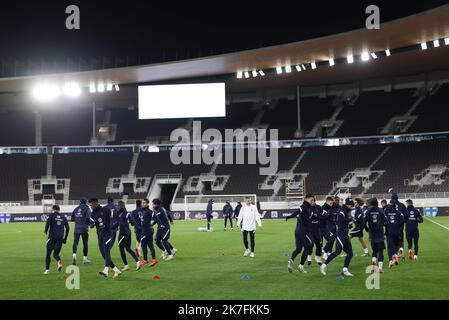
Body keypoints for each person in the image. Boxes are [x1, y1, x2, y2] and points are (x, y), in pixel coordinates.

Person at [320, 198, 356, 277]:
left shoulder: (344, 210)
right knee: (337, 251)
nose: (352, 207)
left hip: (344, 234)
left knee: (350, 253)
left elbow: (343, 222)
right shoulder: (342, 211)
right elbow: (339, 222)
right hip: (340, 234)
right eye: (351, 206)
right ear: (348, 205)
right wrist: (349, 220)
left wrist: (348, 225)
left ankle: (345, 270)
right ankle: (323, 266)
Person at [88, 198, 122, 279]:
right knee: (103, 254)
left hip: (108, 233)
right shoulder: (92, 214)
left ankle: (105, 270)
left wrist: (112, 226)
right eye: (90, 205)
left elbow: (113, 219)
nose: (91, 206)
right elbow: (93, 223)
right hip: (100, 235)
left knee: (107, 252)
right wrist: (92, 224)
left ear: (96, 203)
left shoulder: (105, 210)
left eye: (91, 205)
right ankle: (116, 270)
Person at [286, 194, 314, 273]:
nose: (312, 201)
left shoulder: (308, 208)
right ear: (306, 199)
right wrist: (290, 216)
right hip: (303, 232)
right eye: (311, 200)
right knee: (309, 246)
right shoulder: (304, 206)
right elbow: (298, 211)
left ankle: (290, 262)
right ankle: (300, 267)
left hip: (298, 231)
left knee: (298, 249)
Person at [44, 205, 69, 275]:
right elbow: (68, 228)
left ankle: (47, 270)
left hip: (52, 236)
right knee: (56, 254)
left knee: (48, 254)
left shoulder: (51, 215)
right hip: (60, 237)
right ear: (59, 209)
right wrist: (65, 238)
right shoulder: (63, 216)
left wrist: (46, 230)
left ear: (53, 209)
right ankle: (59, 261)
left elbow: (47, 223)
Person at [364, 198, 387, 273]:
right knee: (381, 251)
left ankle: (374, 265)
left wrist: (367, 229)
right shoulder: (381, 211)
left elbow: (364, 222)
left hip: (372, 234)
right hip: (380, 234)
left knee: (374, 251)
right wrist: (383, 227)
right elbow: (386, 222)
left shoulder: (368, 211)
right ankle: (380, 268)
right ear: (377, 203)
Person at [116, 201, 140, 271]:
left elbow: (132, 220)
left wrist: (137, 227)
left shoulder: (125, 214)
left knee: (121, 248)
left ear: (122, 206)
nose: (118, 207)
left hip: (124, 233)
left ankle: (126, 265)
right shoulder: (121, 214)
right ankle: (138, 262)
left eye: (118, 206)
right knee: (128, 248)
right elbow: (118, 223)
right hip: (128, 232)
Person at [137, 198, 158, 269]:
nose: (142, 204)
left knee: (143, 244)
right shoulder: (142, 211)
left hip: (147, 231)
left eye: (144, 203)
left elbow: (156, 218)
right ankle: (154, 259)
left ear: (147, 204)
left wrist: (151, 225)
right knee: (150, 244)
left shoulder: (149, 211)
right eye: (142, 203)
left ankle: (145, 260)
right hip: (146, 230)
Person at [384, 200, 405, 268]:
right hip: (397, 232)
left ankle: (390, 260)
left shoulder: (386, 212)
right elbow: (402, 222)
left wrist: (388, 227)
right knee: (396, 245)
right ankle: (395, 255)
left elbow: (384, 222)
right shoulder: (399, 213)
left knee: (390, 247)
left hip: (389, 232)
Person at [71, 198, 91, 265]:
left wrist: (78, 220)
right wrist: (89, 224)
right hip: (84, 229)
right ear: (86, 202)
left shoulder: (76, 208)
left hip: (77, 229)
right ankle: (85, 259)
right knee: (85, 244)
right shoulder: (87, 208)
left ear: (80, 202)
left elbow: (72, 219)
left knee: (75, 243)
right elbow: (88, 218)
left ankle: (74, 255)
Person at [307, 198, 326, 266]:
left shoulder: (319, 207)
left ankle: (318, 258)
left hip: (317, 229)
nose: (311, 202)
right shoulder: (307, 208)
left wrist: (320, 218)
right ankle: (309, 257)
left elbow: (323, 214)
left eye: (313, 201)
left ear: (315, 201)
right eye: (310, 201)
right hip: (309, 229)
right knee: (311, 244)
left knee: (319, 245)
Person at [391, 193, 406, 259]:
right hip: (400, 225)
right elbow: (406, 215)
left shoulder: (390, 205)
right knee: (401, 239)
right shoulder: (402, 205)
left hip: (392, 225)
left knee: (393, 240)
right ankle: (401, 251)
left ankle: (395, 253)